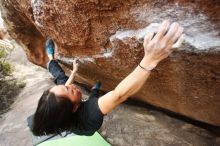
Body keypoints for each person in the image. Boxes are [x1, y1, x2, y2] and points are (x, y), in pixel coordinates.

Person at [32, 20, 184, 136]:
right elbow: (120, 94)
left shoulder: (52, 110)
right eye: (70, 90)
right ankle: (95, 90)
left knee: (59, 75)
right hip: (88, 125)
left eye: (62, 88)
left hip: (64, 109)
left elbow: (64, 89)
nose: (71, 86)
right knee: (93, 98)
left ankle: (50, 57)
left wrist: (73, 72)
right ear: (75, 108)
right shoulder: (88, 116)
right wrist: (150, 60)